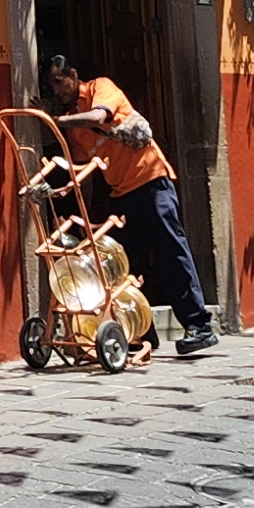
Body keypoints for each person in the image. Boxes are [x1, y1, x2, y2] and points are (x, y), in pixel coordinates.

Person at [42, 53, 217, 358]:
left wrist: (54, 121)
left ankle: (199, 326)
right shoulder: (72, 128)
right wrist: (77, 208)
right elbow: (85, 169)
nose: (57, 91)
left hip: (151, 181)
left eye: (59, 82)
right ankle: (141, 332)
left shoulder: (100, 87)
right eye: (51, 86)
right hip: (121, 195)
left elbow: (98, 118)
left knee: (171, 252)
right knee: (113, 263)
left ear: (74, 74)